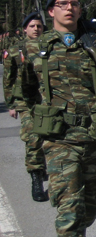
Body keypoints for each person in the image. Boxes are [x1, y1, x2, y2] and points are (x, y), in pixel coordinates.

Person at [21, 0, 96, 237]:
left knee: (92, 203)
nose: (70, 8)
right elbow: (27, 91)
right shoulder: (35, 48)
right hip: (60, 139)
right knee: (70, 210)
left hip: (94, 137)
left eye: (74, 4)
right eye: (63, 4)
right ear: (50, 11)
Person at [3, 12, 46, 201]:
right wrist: (11, 104)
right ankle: (36, 180)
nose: (36, 29)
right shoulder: (15, 50)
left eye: (39, 26)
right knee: (33, 137)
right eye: (32, 26)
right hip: (25, 101)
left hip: (46, 99)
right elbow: (8, 79)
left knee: (49, 135)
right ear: (25, 29)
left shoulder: (49, 47)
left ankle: (42, 166)